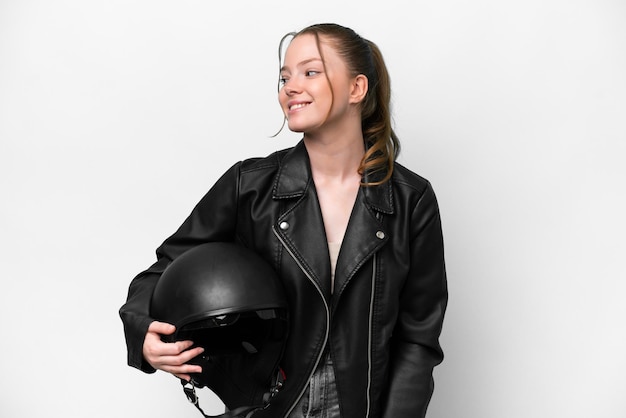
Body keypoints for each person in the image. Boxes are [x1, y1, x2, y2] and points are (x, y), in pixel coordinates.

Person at [120, 22, 448, 418]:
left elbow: (418, 338)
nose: (290, 87)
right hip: (267, 407)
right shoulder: (250, 186)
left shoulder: (410, 200)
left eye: (310, 72)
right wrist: (144, 334)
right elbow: (162, 271)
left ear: (357, 89)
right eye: (284, 76)